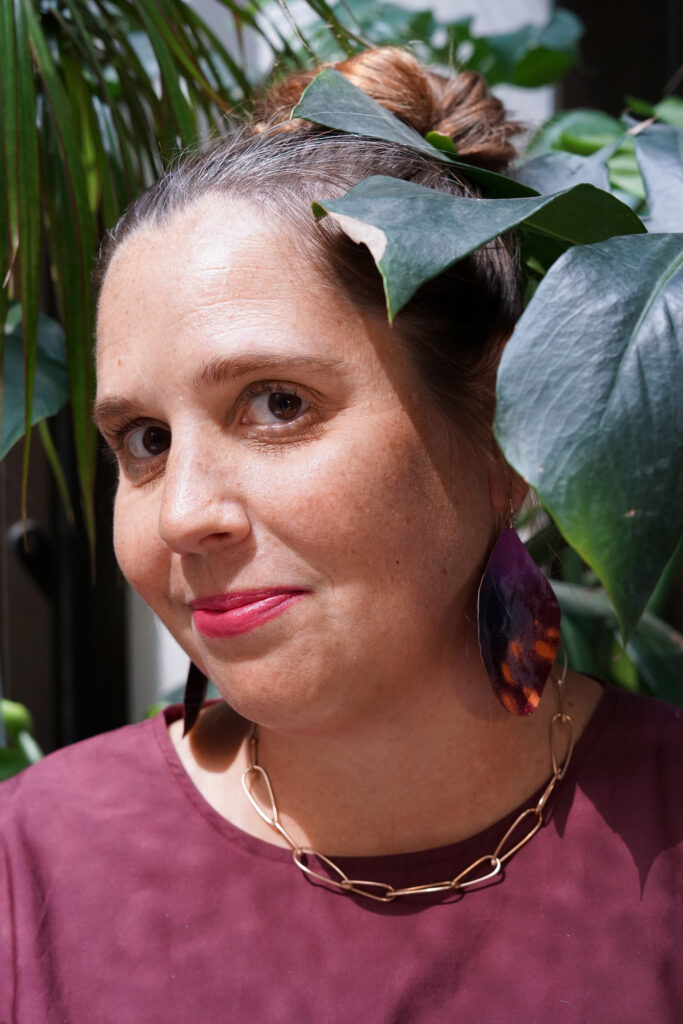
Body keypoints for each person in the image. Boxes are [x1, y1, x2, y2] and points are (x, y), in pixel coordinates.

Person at [1, 47, 681, 1024]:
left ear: (499, 424)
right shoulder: (31, 877)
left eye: (275, 403)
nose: (185, 512)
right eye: (143, 441)